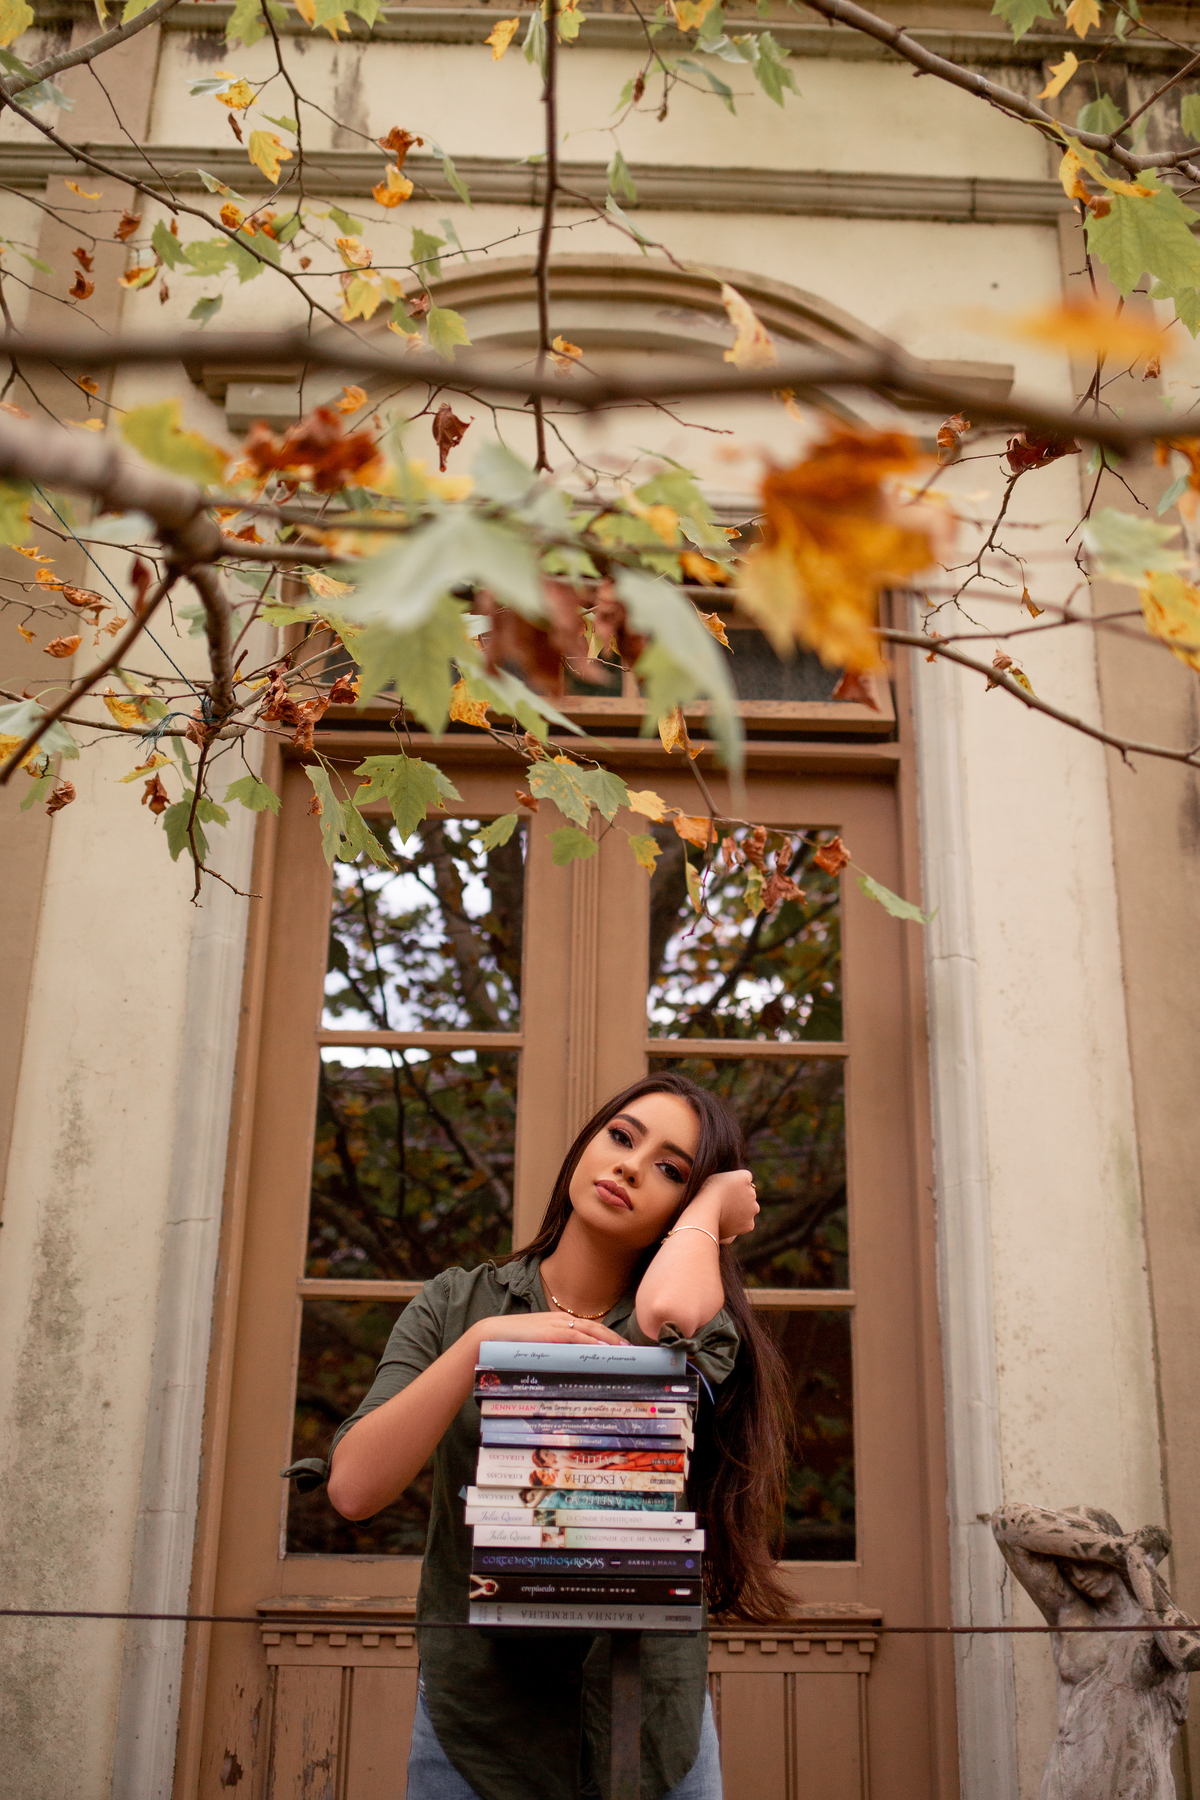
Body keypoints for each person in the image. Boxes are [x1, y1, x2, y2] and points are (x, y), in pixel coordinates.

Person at [325, 1072, 793, 1800]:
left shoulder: (701, 1325)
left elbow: (664, 1308)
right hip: (477, 1725)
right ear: (586, 1146)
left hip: (650, 1725)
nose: (631, 1167)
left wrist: (709, 1209)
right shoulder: (456, 1304)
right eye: (621, 1137)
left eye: (671, 1169)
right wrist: (480, 1345)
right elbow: (353, 1489)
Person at [991, 1502, 1200, 1799]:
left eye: (1085, 1561)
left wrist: (1137, 1564)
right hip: (1069, 1777)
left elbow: (1189, 1654)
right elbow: (1005, 1524)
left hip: (1137, 1782)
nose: (1077, 1575)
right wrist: (1116, 1548)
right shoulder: (1070, 1613)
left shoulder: (1154, 1623)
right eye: (1068, 1564)